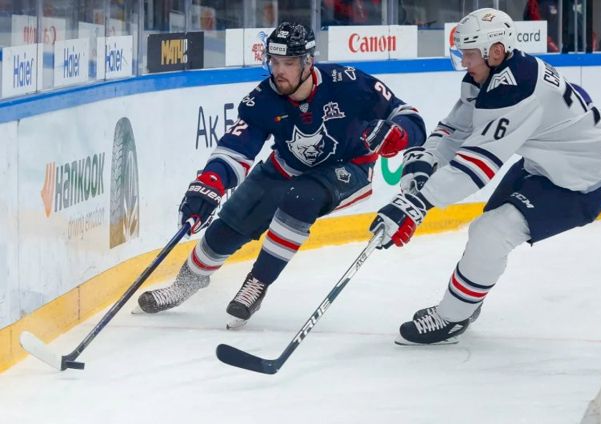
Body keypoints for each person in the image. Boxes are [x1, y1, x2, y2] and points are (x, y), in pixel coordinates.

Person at [137, 22, 426, 328]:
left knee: (302, 197)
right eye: (274, 62)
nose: (279, 71)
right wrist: (211, 182)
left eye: (288, 63)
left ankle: (257, 283)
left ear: (308, 62)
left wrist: (399, 133)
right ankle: (183, 285)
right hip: (287, 167)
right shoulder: (262, 99)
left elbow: (409, 117)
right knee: (231, 222)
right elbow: (237, 148)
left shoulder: (349, 83)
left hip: (349, 167)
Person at [370, 8, 601, 345]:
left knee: (490, 233)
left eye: (470, 54)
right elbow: (455, 129)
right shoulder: (491, 75)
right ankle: (467, 301)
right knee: (488, 227)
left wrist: (417, 203)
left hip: (584, 179)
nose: (464, 62)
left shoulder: (516, 89)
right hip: (551, 164)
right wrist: (426, 162)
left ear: (496, 51)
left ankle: (452, 317)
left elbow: (474, 169)